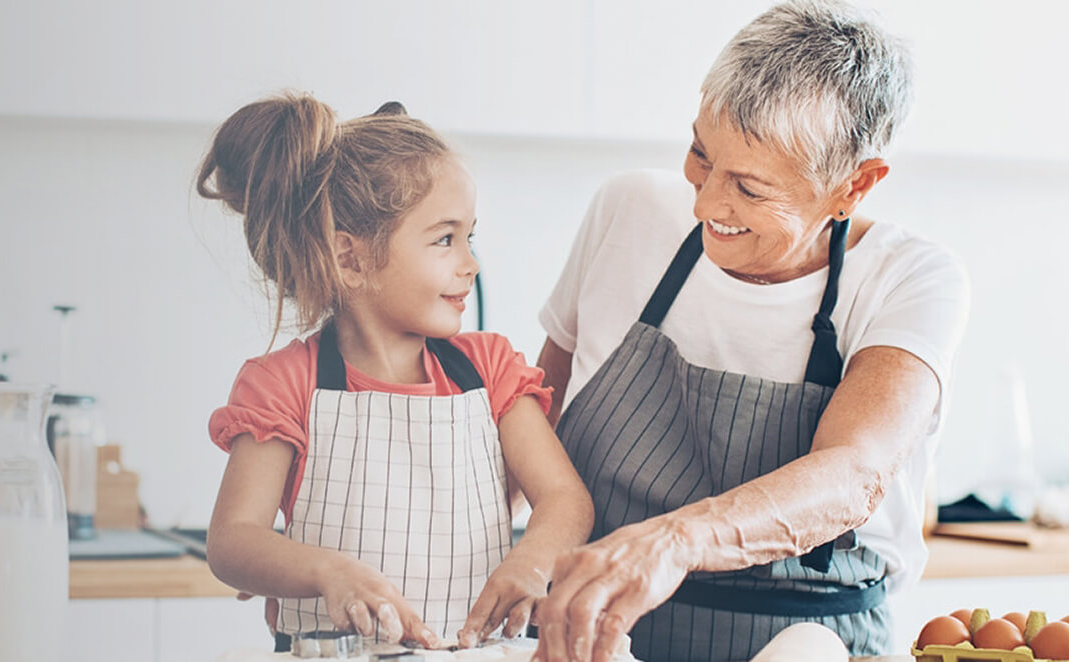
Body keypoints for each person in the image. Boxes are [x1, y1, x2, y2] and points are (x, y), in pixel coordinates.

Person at [526, 2, 970, 660]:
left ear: (854, 186)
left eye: (750, 188)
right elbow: (538, 411)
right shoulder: (628, 210)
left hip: (807, 638)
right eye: (701, 155)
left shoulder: (912, 279)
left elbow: (853, 474)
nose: (705, 204)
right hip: (594, 632)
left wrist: (675, 542)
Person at [197, 92, 595, 651]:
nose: (470, 263)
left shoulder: (490, 369)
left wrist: (532, 560)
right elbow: (232, 541)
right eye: (444, 239)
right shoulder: (286, 384)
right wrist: (328, 572)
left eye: (469, 236)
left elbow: (565, 498)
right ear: (350, 259)